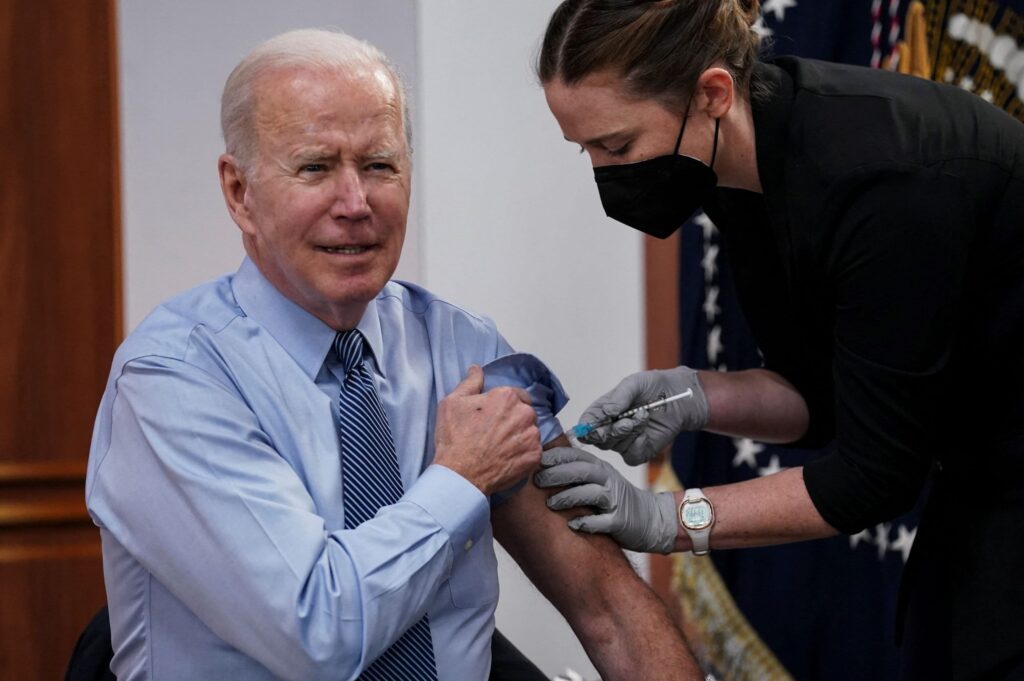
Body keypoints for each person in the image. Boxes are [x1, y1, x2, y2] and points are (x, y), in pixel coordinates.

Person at [84, 28, 702, 681]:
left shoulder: (465, 350)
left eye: (379, 165)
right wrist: (461, 478)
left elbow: (605, 603)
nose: (356, 204)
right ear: (240, 192)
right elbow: (317, 633)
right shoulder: (171, 378)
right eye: (315, 167)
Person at [531, 1, 1024, 680]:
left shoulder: (882, 181)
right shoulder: (741, 170)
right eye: (583, 149)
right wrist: (698, 395)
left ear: (712, 94)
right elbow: (819, 394)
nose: (603, 172)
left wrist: (666, 518)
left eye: (616, 146)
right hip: (976, 481)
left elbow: (869, 479)